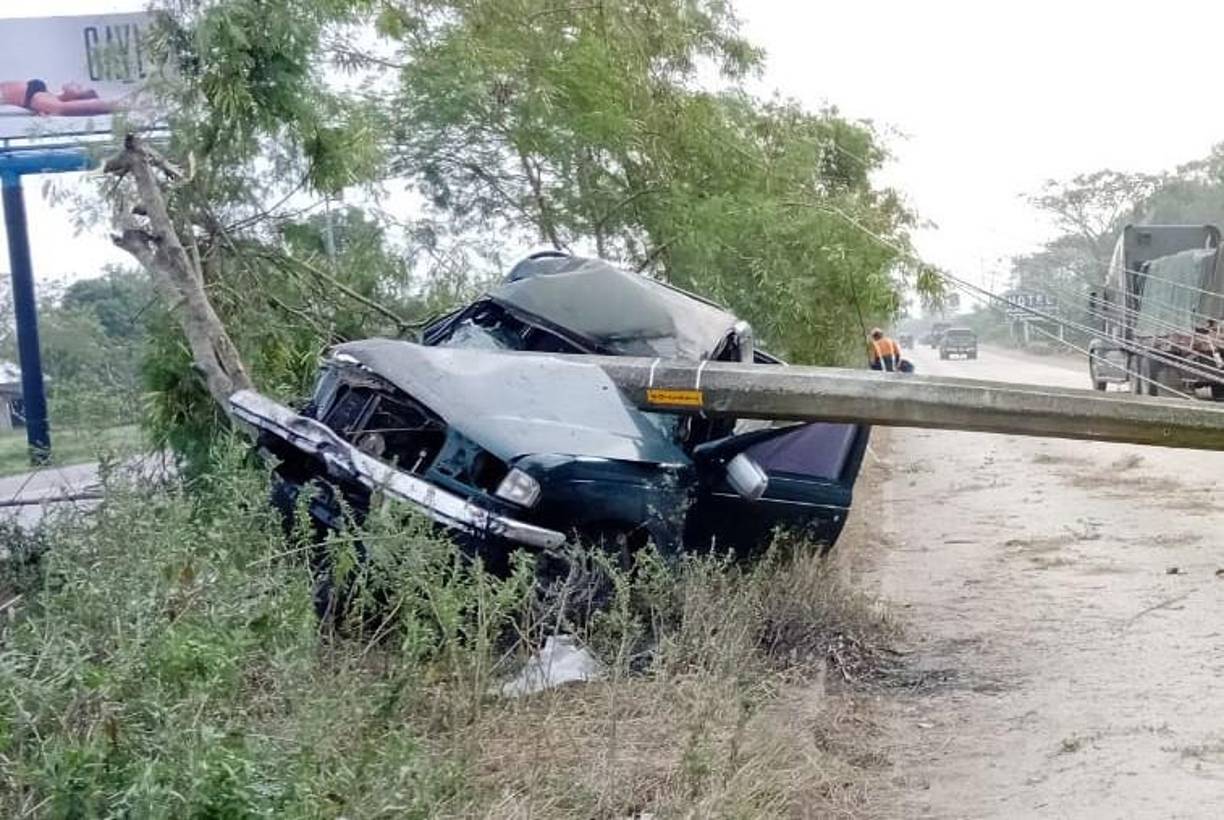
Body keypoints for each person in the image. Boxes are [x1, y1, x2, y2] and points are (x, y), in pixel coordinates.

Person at [1, 80, 121, 117]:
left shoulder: (46, 102)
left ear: (77, 100)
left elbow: (65, 108)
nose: (77, 83)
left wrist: (117, 105)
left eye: (80, 88)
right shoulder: (48, 96)